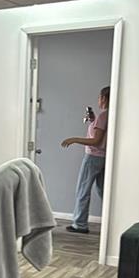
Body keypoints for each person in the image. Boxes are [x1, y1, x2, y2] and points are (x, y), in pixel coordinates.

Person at [60, 86, 110, 233]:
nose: (98, 100)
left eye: (100, 97)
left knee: (83, 190)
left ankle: (80, 224)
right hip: (104, 158)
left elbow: (96, 141)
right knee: (103, 191)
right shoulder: (109, 115)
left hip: (93, 157)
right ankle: (113, 221)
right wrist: (93, 121)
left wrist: (74, 139)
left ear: (104, 98)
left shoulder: (103, 116)